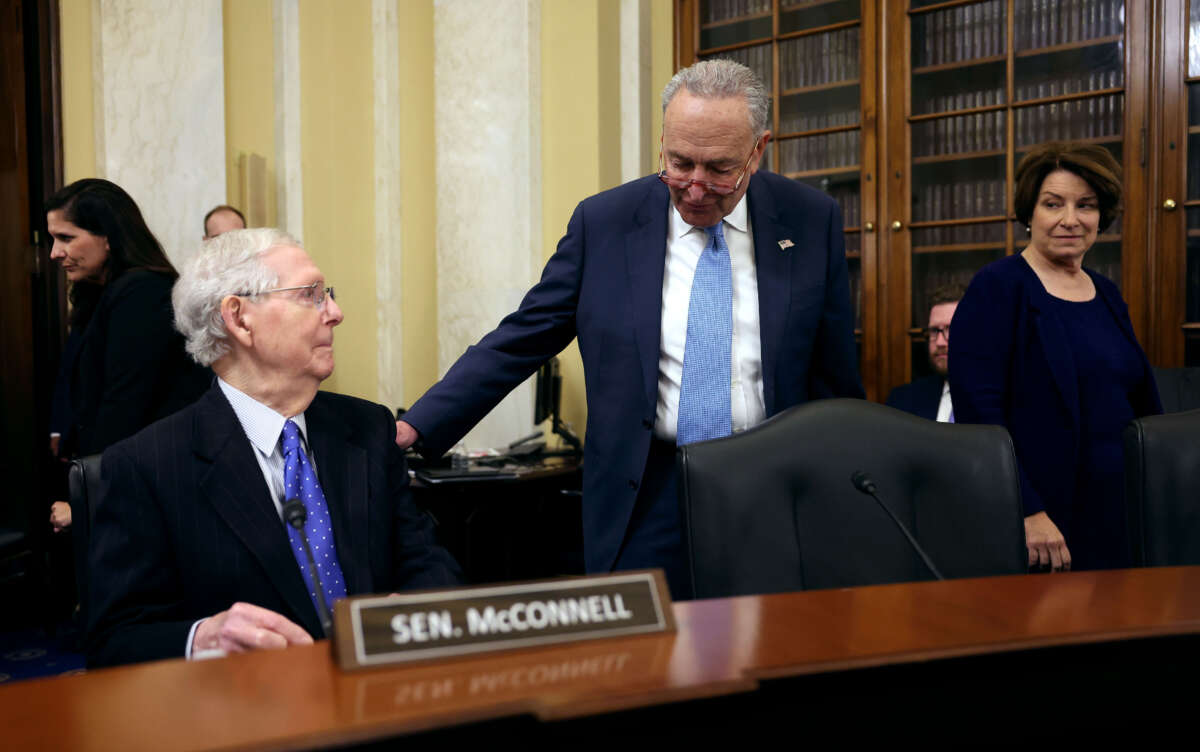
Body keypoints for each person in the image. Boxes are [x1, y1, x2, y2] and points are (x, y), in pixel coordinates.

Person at [396, 60, 863, 596]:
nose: (694, 188)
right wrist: (420, 424)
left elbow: (834, 376)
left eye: (719, 169)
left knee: (768, 658)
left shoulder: (809, 220)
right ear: (662, 140)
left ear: (758, 150)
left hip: (772, 489)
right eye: (679, 162)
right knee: (647, 663)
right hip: (646, 491)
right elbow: (523, 336)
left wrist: (842, 504)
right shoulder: (605, 223)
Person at [85, 229, 462, 668]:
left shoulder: (367, 428)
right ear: (240, 318)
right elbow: (114, 640)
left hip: (383, 698)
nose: (336, 313)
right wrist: (202, 637)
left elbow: (427, 560)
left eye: (329, 295)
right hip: (251, 715)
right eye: (312, 295)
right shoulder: (145, 465)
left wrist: (418, 607)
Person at [949, 141, 1161, 573]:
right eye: (1053, 204)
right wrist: (1026, 510)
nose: (1070, 219)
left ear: (1101, 217)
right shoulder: (998, 287)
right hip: (1046, 522)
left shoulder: (1107, 294)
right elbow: (979, 413)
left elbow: (1139, 400)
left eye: (1085, 205)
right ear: (1030, 212)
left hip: (1122, 511)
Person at [45, 179, 211, 533]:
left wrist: (91, 495)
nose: (54, 253)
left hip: (145, 491)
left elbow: (126, 405)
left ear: (108, 235)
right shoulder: (103, 294)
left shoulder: (142, 291)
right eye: (53, 239)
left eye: (66, 238)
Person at [885, 283, 964, 422]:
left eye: (950, 329)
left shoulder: (1004, 399)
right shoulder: (902, 401)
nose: (940, 342)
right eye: (934, 331)